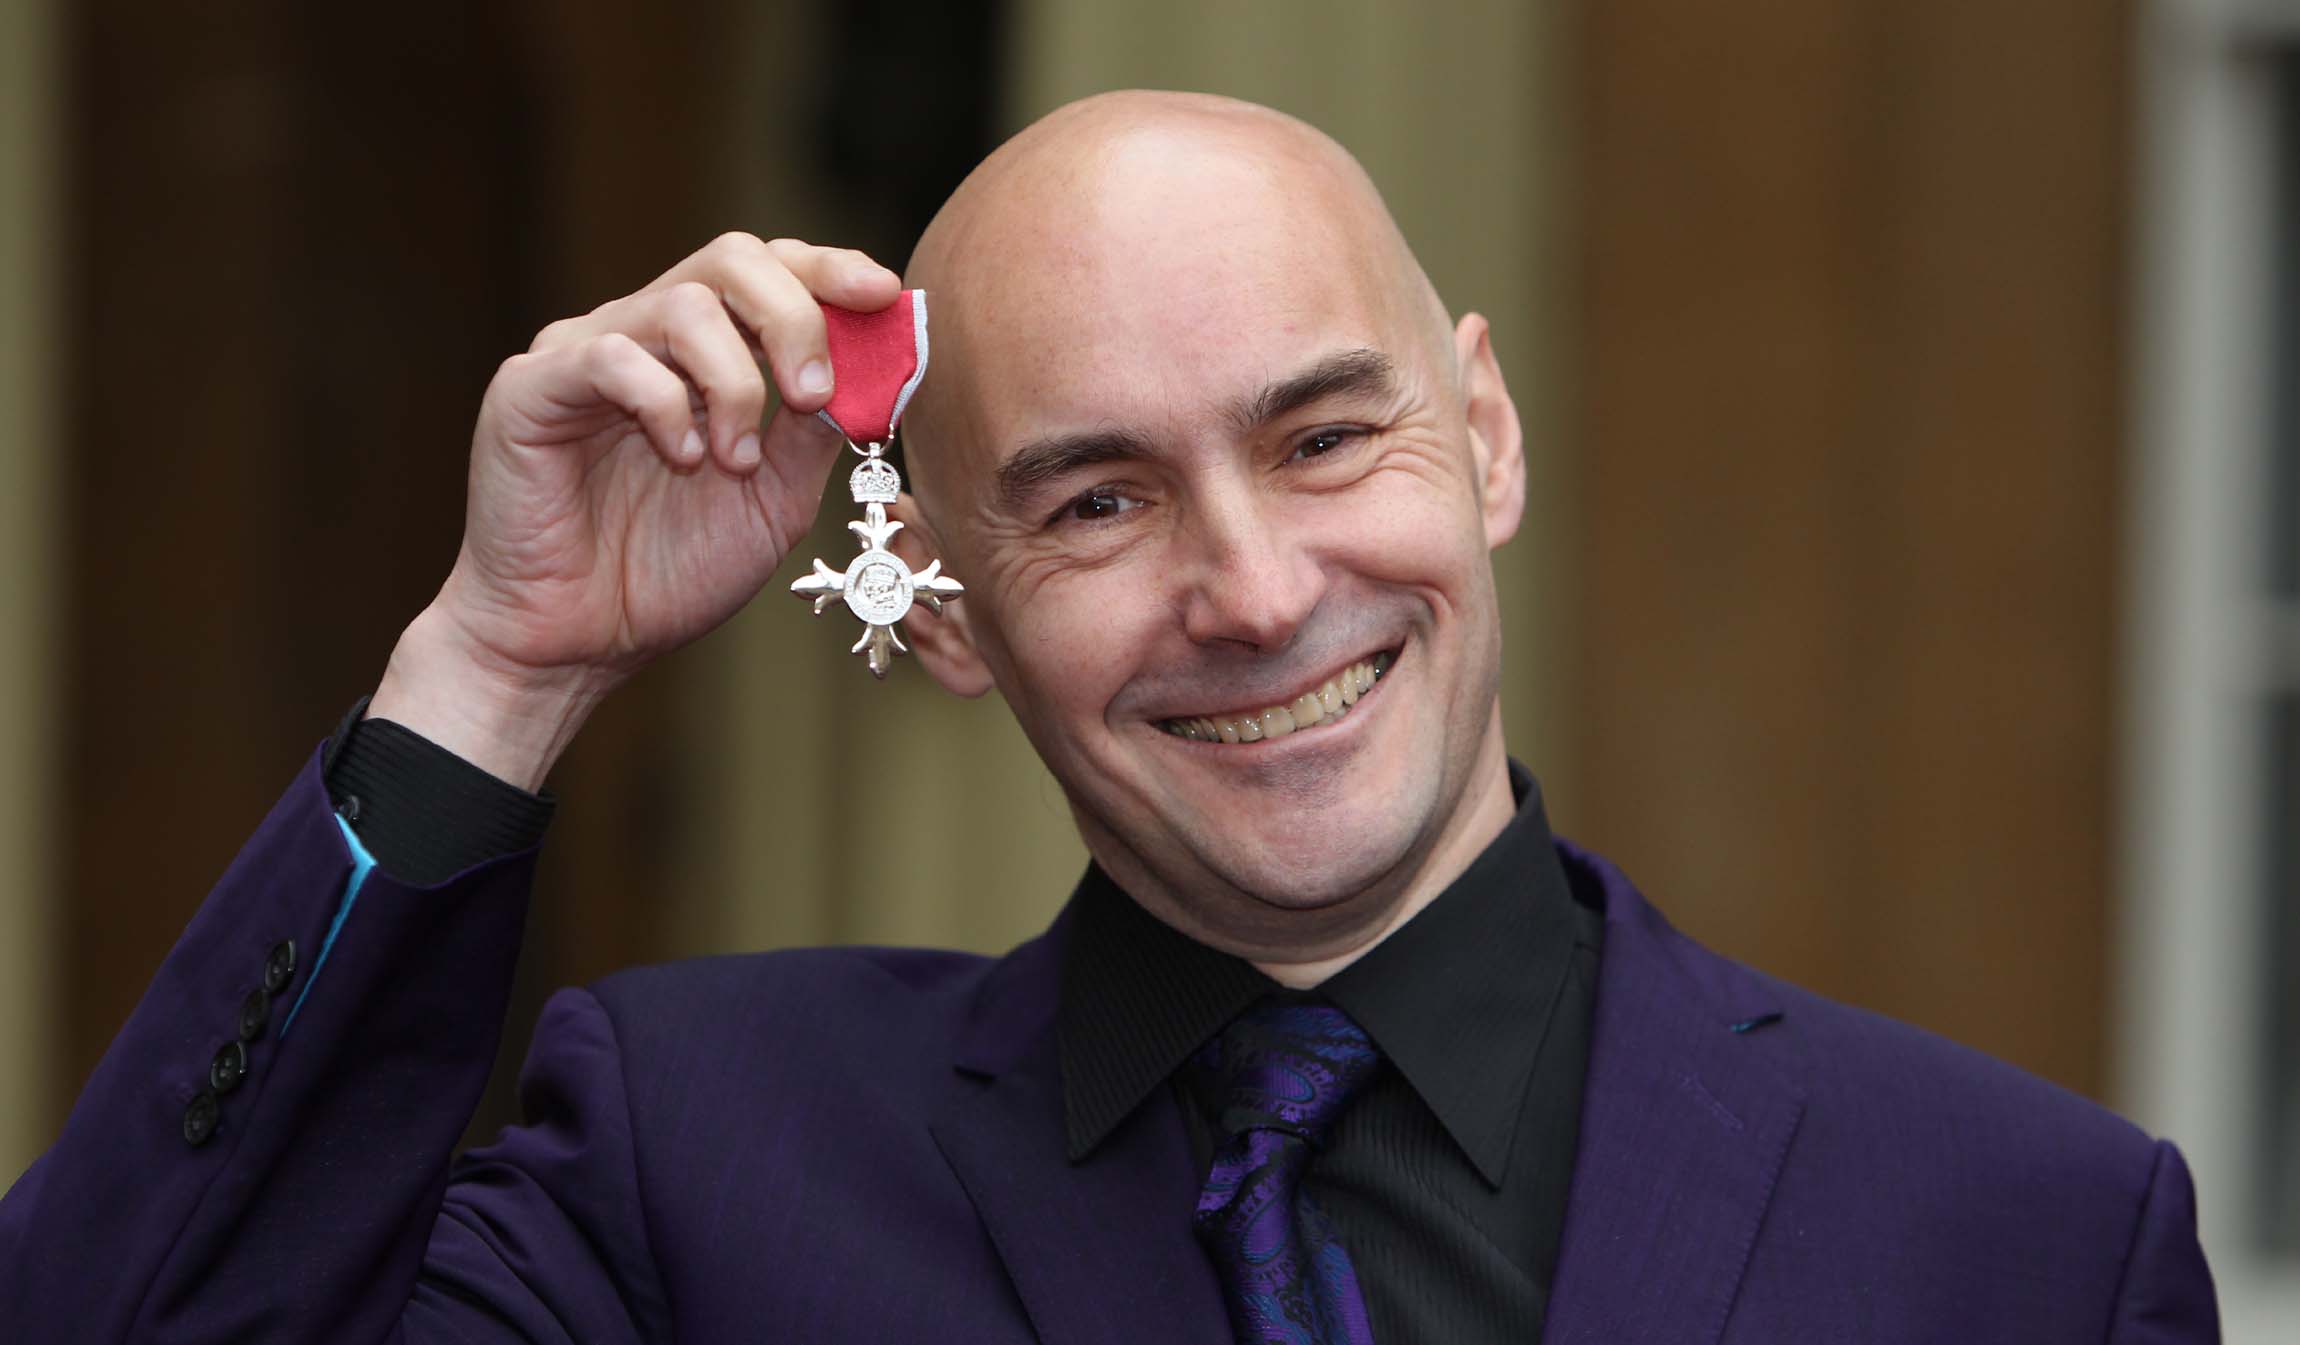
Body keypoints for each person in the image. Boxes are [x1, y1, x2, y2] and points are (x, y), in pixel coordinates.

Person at [0, 91, 2216, 1344]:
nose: (1252, 591)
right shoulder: (690, 1161)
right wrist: (499, 662)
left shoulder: (2024, 1234)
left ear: (1489, 438)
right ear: (944, 611)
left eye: (1330, 438)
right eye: (1095, 497)